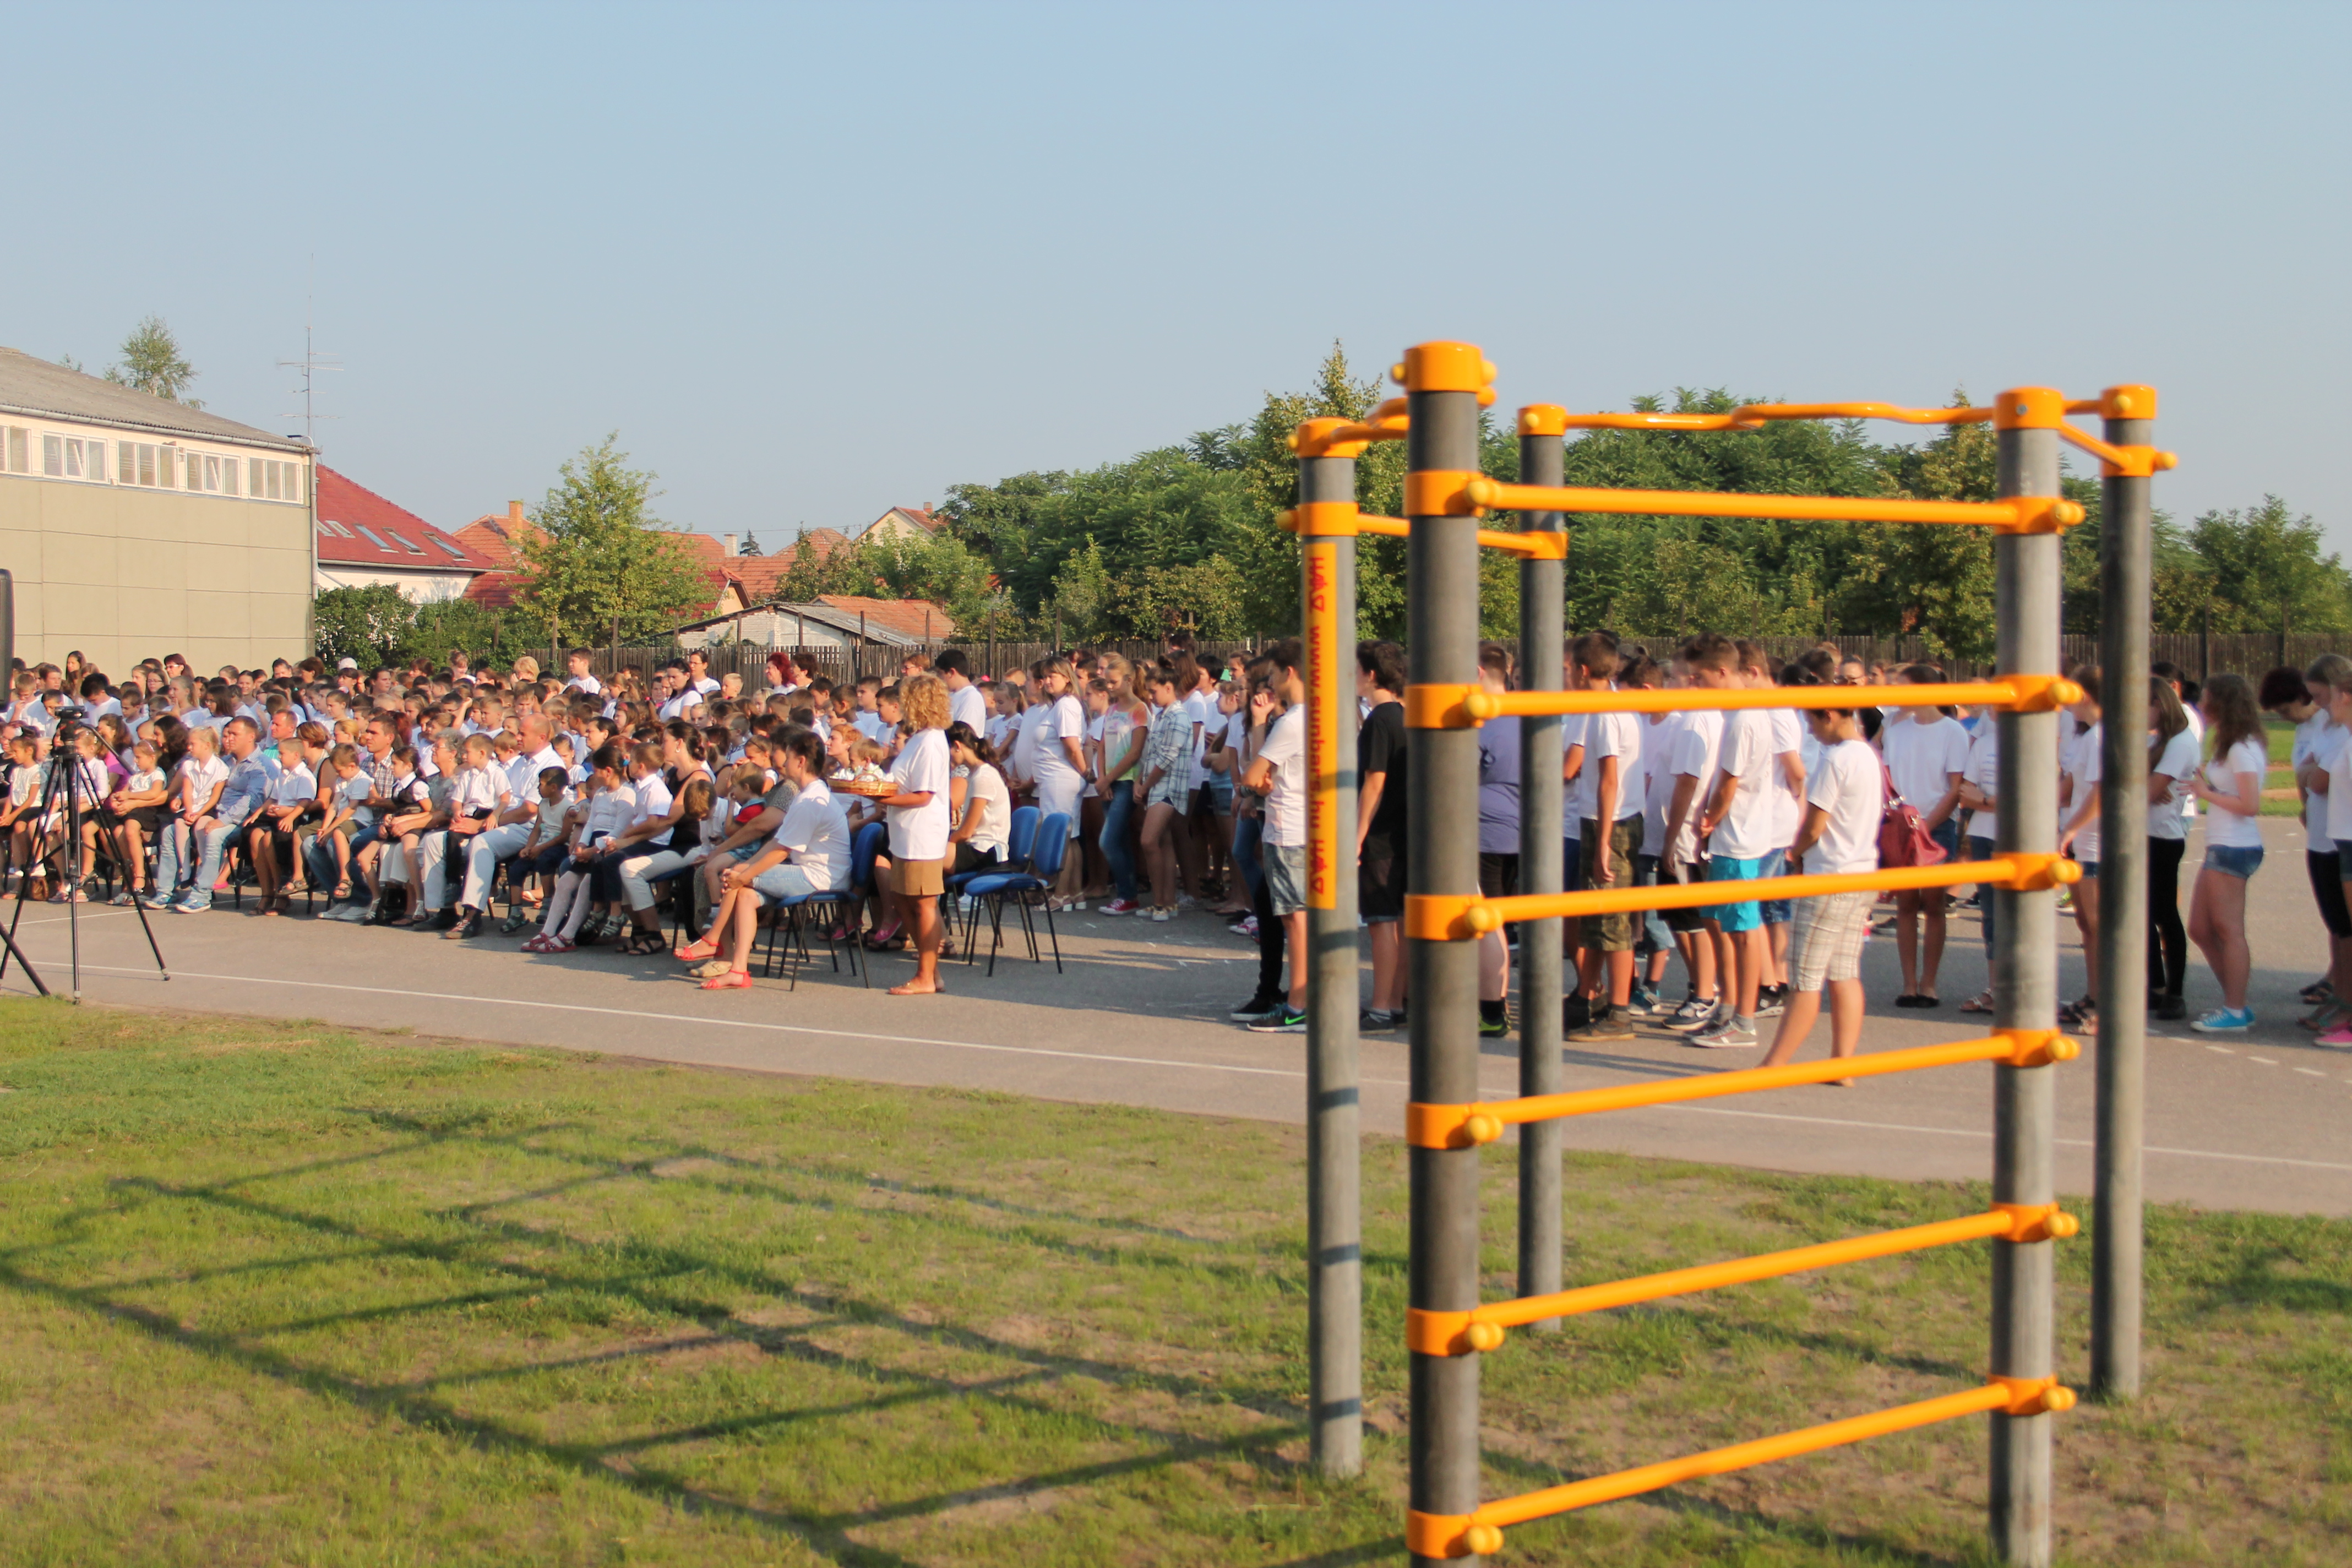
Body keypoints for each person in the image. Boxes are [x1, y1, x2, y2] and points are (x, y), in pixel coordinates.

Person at [1758, 700, 1886, 1081]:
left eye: (1811, 722)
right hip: (1861, 872)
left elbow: (1815, 825)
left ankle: (1774, 1065)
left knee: (1806, 978)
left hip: (1829, 875)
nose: (1810, 731)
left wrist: (1794, 852)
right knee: (1845, 972)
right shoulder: (1868, 755)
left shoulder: (1837, 759)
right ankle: (1842, 1063)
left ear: (1828, 715)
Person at [682, 726, 850, 989]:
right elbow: (776, 842)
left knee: (737, 877)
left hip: (820, 878)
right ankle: (738, 970)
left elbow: (782, 851)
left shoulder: (810, 800)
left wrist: (744, 875)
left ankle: (714, 938)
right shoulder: (805, 795)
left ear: (801, 761)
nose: (781, 761)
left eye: (788, 757)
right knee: (745, 893)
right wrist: (746, 867)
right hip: (808, 872)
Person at [1568, 631, 1643, 1042]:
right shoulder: (1606, 708)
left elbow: (1610, 780)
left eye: (1569, 669)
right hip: (1604, 820)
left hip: (1611, 823)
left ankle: (1620, 1012)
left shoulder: (1608, 713)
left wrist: (1602, 842)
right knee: (1597, 918)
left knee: (1614, 922)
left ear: (1583, 671)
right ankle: (1587, 996)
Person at [1880, 665, 1970, 1008]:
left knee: (1933, 905)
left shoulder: (1952, 732)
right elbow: (1890, 780)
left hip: (1937, 825)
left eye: (1903, 687)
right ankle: (1909, 984)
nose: (1896, 693)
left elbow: (1955, 788)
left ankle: (1929, 983)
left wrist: (1927, 827)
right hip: (1902, 825)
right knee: (1905, 904)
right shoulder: (1896, 730)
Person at [2185, 673, 2267, 1032]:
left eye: (2207, 699)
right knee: (2200, 928)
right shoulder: (2230, 744)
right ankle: (2236, 1002)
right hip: (2221, 844)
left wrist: (2205, 792)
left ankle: (2235, 1009)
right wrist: (2207, 786)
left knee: (2229, 930)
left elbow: (2250, 805)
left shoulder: (2241, 748)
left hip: (2235, 846)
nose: (2202, 705)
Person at [2278, 657, 2352, 1032]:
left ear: (2341, 692)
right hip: (2323, 833)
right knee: (2336, 924)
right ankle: (2339, 995)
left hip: (2340, 838)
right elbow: (2305, 770)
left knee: (2346, 927)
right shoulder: (2325, 725)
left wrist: (2312, 775)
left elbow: (2318, 780)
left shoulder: (2344, 733)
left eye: (2322, 695)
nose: (2317, 703)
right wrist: (2311, 776)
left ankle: (2347, 1002)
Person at [1243, 640, 1309, 1033]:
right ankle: (1301, 998)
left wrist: (1259, 784)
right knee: (1300, 918)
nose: (1269, 683)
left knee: (1295, 921)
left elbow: (1254, 775)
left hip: (1288, 828)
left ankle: (1298, 1005)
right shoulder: (1323, 716)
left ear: (1290, 672)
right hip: (1308, 826)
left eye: (1272, 674)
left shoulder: (1293, 721)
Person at [876, 673, 952, 995]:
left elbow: (923, 795)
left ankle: (926, 975)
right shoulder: (919, 738)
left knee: (923, 903)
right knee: (903, 898)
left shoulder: (932, 741)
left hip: (922, 833)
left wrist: (882, 799)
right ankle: (931, 972)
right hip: (905, 832)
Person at [1356, 641, 1408, 1030]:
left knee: (1382, 923)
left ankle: (1381, 1007)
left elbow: (1374, 782)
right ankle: (1395, 1001)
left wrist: (1357, 836)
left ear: (1371, 674)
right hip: (1404, 830)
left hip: (1381, 836)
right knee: (1400, 923)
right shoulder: (1405, 715)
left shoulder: (1380, 720)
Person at [2144, 677, 2202, 1022]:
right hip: (2144, 834)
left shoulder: (2180, 742)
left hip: (2163, 838)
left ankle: (2175, 992)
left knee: (2165, 914)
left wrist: (2147, 782)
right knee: (2143, 914)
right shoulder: (2155, 740)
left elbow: (2150, 792)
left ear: (2159, 705)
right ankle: (2154, 984)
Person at [1473, 641, 1521, 1039]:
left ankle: (1492, 1010)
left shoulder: (1484, 721)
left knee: (1487, 922)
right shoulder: (1526, 714)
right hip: (1520, 831)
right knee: (1498, 919)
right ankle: (1494, 1004)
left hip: (1488, 833)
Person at [2056, 669, 2104, 1029]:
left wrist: (2071, 829)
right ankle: (2094, 994)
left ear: (2085, 694)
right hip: (2083, 843)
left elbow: (2101, 792)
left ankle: (2108, 1003)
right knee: (2086, 923)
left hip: (2099, 843)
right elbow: (2071, 785)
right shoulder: (2087, 735)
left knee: (2100, 925)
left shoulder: (2102, 736)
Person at [1028, 659, 1089, 911]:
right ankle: (1076, 893)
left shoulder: (1066, 705)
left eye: (1053, 676)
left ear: (1066, 677)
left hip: (1060, 779)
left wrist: (1086, 773)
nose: (1047, 681)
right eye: (1045, 676)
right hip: (1055, 778)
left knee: (1061, 837)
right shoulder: (1061, 705)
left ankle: (1061, 894)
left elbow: (1072, 747)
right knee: (1071, 838)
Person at [1135, 666, 1194, 922]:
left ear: (1169, 688)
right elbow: (1150, 754)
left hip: (1168, 788)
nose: (1150, 696)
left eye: (1153, 691)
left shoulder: (1178, 717)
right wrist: (1139, 781)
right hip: (1156, 786)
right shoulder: (1161, 716)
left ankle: (1160, 901)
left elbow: (1167, 758)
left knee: (1148, 841)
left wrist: (1145, 786)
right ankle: (1167, 903)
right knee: (1164, 843)